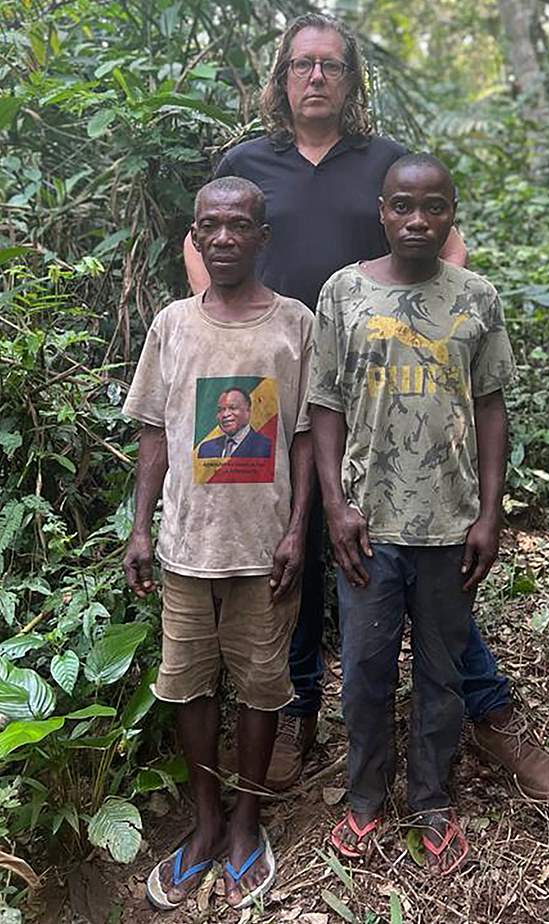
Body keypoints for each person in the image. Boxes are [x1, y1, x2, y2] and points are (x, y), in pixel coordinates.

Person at [183, 12, 549, 805]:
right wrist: (229, 326)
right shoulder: (247, 161)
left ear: (352, 80)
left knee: (424, 556)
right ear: (282, 78)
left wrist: (424, 335)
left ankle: (487, 712)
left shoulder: (388, 163)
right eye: (302, 65)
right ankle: (296, 712)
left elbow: (446, 254)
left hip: (383, 393)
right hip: (266, 393)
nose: (316, 78)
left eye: (331, 65)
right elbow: (205, 241)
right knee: (290, 555)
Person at [309, 153, 514, 872]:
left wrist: (490, 512)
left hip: (450, 526)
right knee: (364, 670)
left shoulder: (477, 296)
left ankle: (431, 798)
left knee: (442, 671)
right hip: (369, 525)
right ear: (383, 209)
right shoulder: (343, 293)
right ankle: (364, 798)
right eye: (403, 205)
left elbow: (490, 407)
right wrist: (336, 504)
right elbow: (325, 404)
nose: (418, 220)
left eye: (434, 206)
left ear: (453, 212)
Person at [123, 176, 314, 910]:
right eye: (212, 226)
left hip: (265, 551)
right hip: (185, 550)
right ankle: (203, 825)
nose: (226, 237)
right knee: (187, 684)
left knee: (263, 689)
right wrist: (141, 527)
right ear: (196, 238)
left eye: (240, 225)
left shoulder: (294, 325)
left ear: (263, 237)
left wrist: (299, 532)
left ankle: (246, 821)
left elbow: (303, 435)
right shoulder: (173, 324)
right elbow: (153, 435)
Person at [198, 388, 273, 459]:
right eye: (220, 410)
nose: (225, 414)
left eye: (233, 408)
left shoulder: (266, 447)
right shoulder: (206, 449)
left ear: (248, 411)